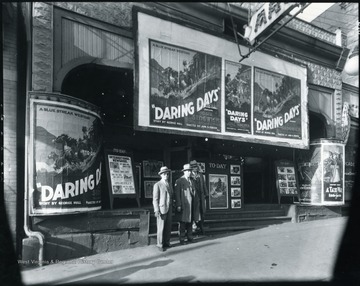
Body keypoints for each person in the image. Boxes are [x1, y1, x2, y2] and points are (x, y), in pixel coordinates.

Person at [175, 163, 200, 244]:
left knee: (190, 221)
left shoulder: (192, 180)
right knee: (182, 222)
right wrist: (178, 204)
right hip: (184, 205)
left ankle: (190, 237)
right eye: (188, 171)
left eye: (190, 171)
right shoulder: (179, 181)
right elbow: (177, 194)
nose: (189, 172)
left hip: (191, 205)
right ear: (184, 172)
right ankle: (182, 239)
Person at [153, 166, 173, 251]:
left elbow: (172, 196)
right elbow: (155, 199)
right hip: (161, 209)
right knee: (161, 228)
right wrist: (156, 210)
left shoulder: (169, 184)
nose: (166, 175)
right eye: (164, 174)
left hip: (169, 208)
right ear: (161, 175)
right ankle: (160, 244)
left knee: (168, 226)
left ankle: (167, 242)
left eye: (167, 174)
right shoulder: (157, 185)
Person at [190, 160, 209, 235]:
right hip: (194, 197)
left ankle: (201, 226)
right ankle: (194, 227)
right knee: (194, 211)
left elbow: (204, 185)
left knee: (202, 212)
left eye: (196, 167)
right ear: (191, 168)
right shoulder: (190, 176)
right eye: (194, 167)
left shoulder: (200, 175)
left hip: (201, 196)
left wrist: (206, 193)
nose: (195, 168)